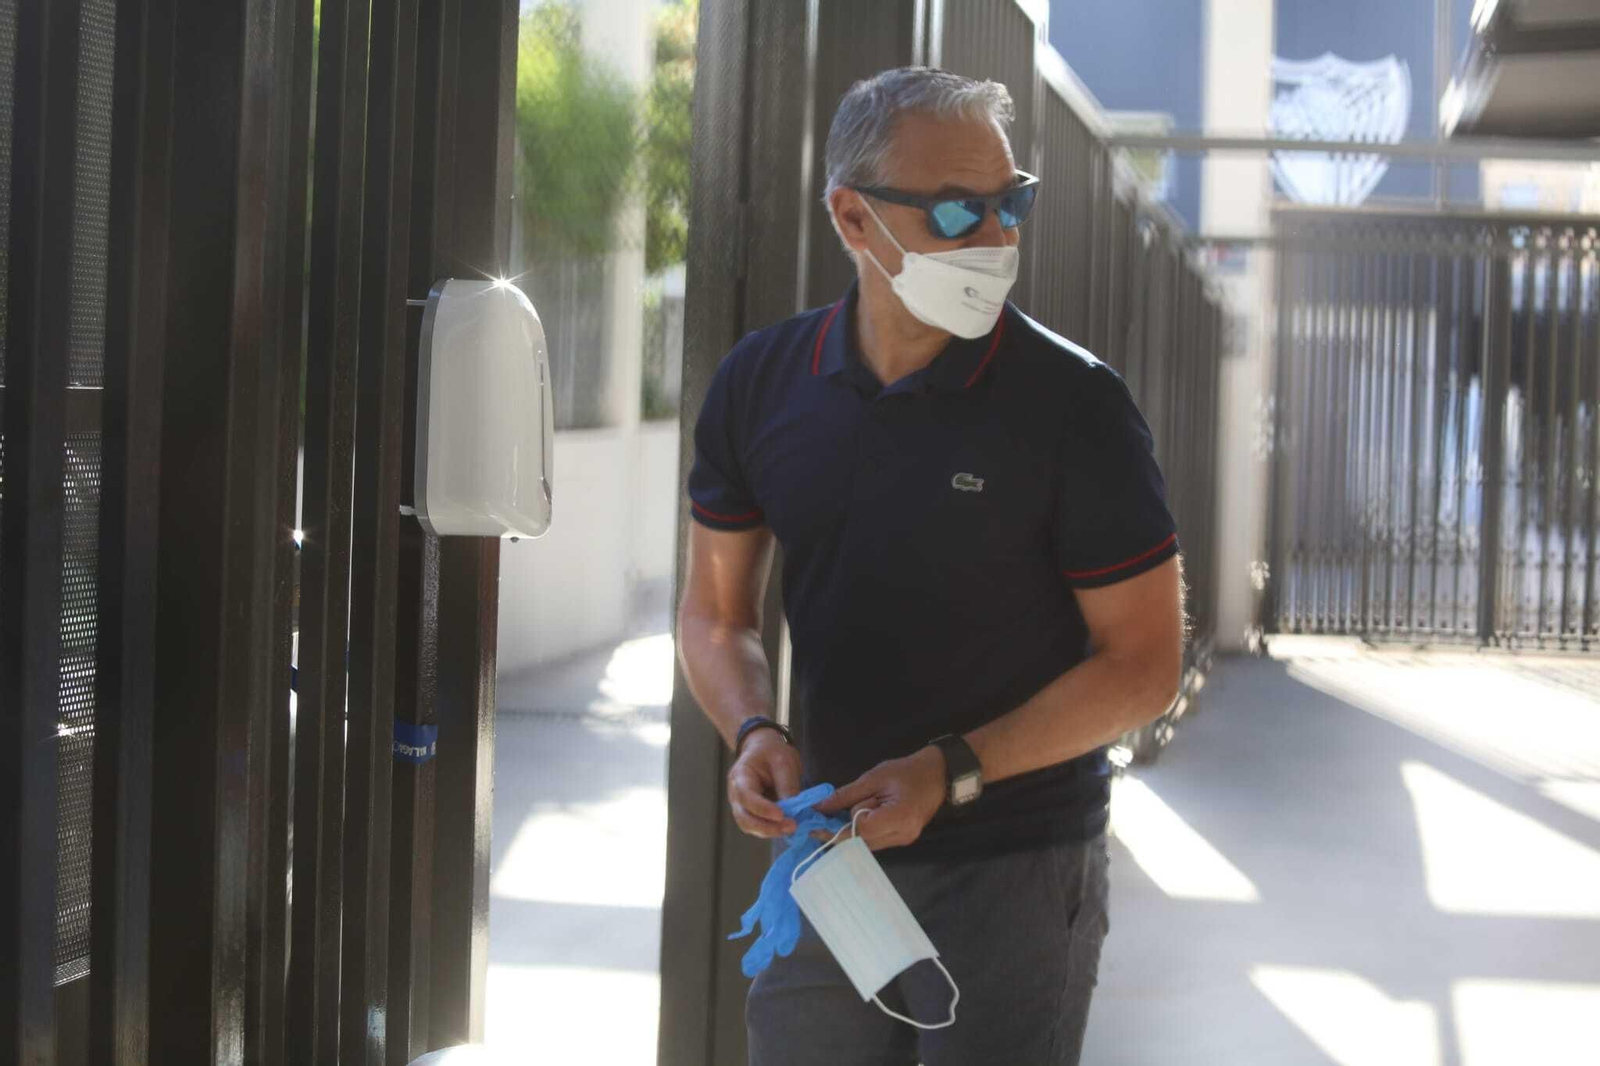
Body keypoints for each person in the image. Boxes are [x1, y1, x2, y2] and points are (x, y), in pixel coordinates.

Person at [677, 65, 1184, 1066]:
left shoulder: (1075, 405)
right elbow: (715, 613)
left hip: (1020, 867)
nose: (997, 239)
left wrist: (948, 770)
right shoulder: (759, 384)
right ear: (853, 220)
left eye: (1012, 203)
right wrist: (751, 728)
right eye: (959, 210)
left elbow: (1144, 665)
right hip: (830, 866)